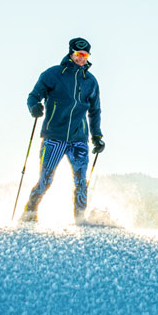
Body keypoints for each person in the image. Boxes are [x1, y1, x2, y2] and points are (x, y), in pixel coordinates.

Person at [21, 37, 104, 224]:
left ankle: (80, 220)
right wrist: (34, 106)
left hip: (79, 139)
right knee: (45, 180)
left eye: (85, 55)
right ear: (70, 53)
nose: (81, 58)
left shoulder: (90, 81)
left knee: (82, 182)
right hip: (54, 137)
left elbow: (95, 111)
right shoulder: (54, 74)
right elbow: (34, 96)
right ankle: (29, 213)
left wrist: (97, 136)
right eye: (78, 54)